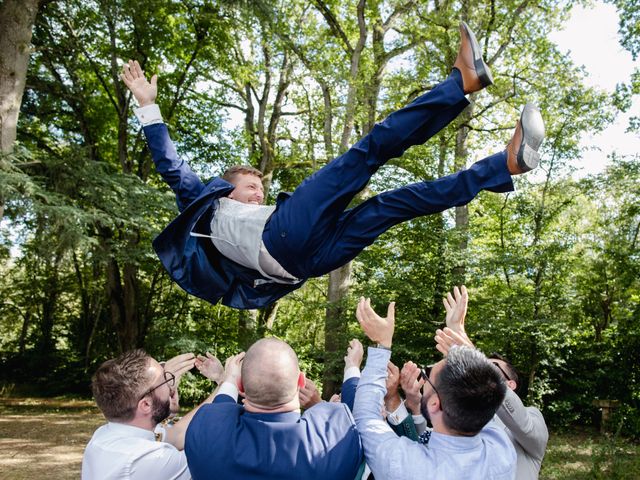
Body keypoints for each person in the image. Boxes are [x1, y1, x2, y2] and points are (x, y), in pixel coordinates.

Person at [120, 21, 545, 309]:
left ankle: (505, 165)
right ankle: (460, 82)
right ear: (223, 191)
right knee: (370, 151)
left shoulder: (254, 220)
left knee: (395, 204)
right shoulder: (207, 207)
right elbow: (172, 165)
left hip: (307, 259)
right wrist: (148, 106)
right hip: (286, 241)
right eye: (250, 188)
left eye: (261, 188)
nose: (259, 192)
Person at [353, 297, 516, 479]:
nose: (424, 379)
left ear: (435, 404)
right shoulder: (502, 451)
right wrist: (459, 337)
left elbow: (366, 416)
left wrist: (382, 344)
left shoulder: (406, 466)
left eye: (427, 377)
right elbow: (487, 390)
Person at [184, 337, 363, 479]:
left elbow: (220, 411)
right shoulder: (334, 440)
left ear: (241, 387)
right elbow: (356, 418)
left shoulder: (206, 435)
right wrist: (352, 367)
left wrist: (229, 379)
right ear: (301, 382)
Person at [436, 285, 549, 479]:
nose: (483, 371)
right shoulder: (463, 418)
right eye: (483, 366)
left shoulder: (532, 416)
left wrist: (473, 359)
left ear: (511, 384)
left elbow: (522, 424)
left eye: (492, 368)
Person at [81, 349, 228, 479]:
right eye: (165, 379)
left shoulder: (105, 435)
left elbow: (178, 433)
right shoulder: (149, 459)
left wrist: (222, 384)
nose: (172, 384)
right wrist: (231, 382)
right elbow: (209, 456)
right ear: (145, 404)